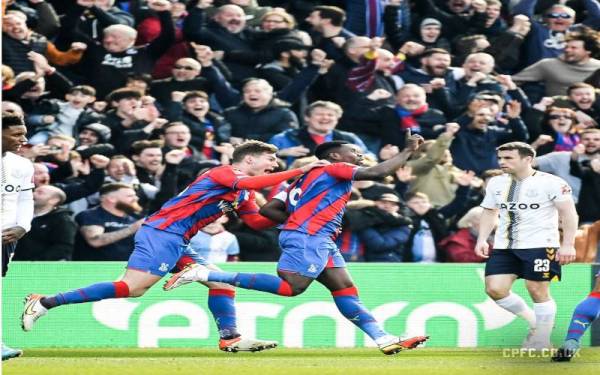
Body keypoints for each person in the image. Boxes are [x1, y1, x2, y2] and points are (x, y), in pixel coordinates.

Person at [21, 140, 328, 352]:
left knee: (220, 283)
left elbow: (257, 223)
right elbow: (250, 184)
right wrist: (300, 172)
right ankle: (45, 302)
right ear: (249, 159)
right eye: (270, 160)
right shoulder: (223, 173)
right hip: (162, 233)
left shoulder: (243, 193)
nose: (273, 165)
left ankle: (230, 339)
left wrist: (294, 206)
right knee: (133, 288)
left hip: (176, 238)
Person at [164, 135, 430, 355]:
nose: (359, 155)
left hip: (318, 239)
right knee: (292, 289)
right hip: (310, 238)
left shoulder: (298, 181)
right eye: (354, 151)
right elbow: (379, 171)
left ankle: (383, 338)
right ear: (336, 155)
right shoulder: (333, 168)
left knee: (345, 288)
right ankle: (204, 273)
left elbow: (269, 209)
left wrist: (301, 221)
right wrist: (407, 150)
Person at [475, 142, 579, 350]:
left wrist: (568, 244)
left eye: (508, 158)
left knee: (537, 290)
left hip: (541, 244)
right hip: (504, 246)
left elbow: (569, 214)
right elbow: (489, 211)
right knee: (495, 289)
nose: (502, 162)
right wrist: (482, 238)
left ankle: (541, 339)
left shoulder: (552, 182)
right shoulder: (496, 182)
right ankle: (536, 324)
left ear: (527, 159)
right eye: (501, 158)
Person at [2, 114, 34, 361]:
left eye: (23, 134)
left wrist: (23, 226)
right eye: (16, 134)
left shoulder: (22, 165)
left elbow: (25, 199)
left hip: (5, 236)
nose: (23, 140)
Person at [14, 185, 76, 261]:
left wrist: (36, 263)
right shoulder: (17, 215)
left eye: (40, 193)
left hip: (41, 268)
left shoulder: (63, 220)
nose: (33, 194)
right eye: (34, 191)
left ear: (53, 200)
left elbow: (63, 247)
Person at [552, 274, 600, 361]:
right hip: (593, 304)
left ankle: (568, 349)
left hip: (592, 304)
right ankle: (568, 348)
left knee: (573, 338)